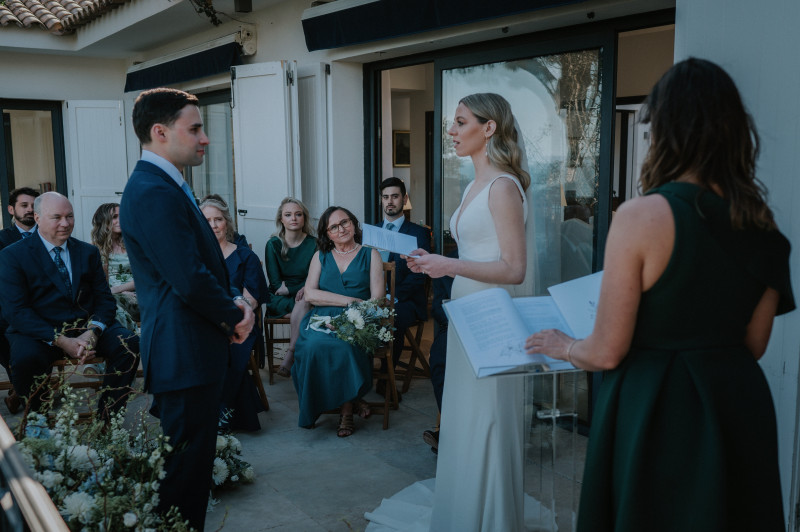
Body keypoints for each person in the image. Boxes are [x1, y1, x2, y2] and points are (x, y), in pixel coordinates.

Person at [525, 58, 795, 532]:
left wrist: (564, 346)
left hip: (658, 407)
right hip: (738, 405)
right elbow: (755, 344)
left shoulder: (643, 215)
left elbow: (608, 349)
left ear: (665, 130)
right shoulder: (763, 223)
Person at [366, 92, 531, 531]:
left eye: (460, 122)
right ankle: (465, 505)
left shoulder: (502, 186)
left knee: (488, 413)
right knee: (464, 412)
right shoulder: (476, 184)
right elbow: (478, 251)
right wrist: (428, 258)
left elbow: (515, 269)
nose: (452, 131)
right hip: (464, 306)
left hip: (490, 311)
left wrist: (447, 264)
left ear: (488, 127)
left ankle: (490, 515)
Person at [120, 87, 254, 531]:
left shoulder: (165, 184)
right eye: (194, 128)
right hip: (184, 351)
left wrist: (232, 301)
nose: (205, 139)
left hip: (192, 349)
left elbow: (196, 266)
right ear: (160, 132)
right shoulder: (152, 190)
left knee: (191, 468)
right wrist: (237, 314)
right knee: (185, 474)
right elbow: (189, 278)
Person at [0, 192, 139, 417]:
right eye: (57, 217)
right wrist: (61, 340)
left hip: (84, 328)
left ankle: (108, 419)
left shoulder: (88, 252)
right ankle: (38, 422)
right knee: (25, 358)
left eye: (70, 216)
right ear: (37, 217)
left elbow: (104, 300)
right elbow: (16, 311)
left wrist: (93, 331)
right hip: (38, 332)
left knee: (129, 344)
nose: (65, 223)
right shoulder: (12, 256)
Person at [292, 206, 384, 437]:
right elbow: (310, 294)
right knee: (312, 347)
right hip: (322, 317)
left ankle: (346, 410)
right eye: (333, 226)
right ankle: (318, 405)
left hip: (359, 318)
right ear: (327, 233)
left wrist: (355, 311)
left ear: (354, 224)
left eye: (345, 222)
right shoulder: (320, 256)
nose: (341, 229)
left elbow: (377, 299)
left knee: (343, 346)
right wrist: (349, 300)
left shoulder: (370, 254)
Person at [200, 195, 268, 432]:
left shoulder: (244, 256)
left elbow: (252, 298)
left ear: (226, 222)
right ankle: (214, 410)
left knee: (230, 346)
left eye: (218, 219)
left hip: (240, 322)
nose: (214, 225)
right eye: (207, 220)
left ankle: (221, 411)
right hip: (205, 323)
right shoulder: (196, 258)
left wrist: (230, 313)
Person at [376, 177, 431, 399]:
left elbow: (419, 276)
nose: (390, 202)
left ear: (404, 199)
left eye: (395, 196)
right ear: (381, 200)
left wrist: (391, 298)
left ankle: (385, 378)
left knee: (393, 318)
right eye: (386, 197)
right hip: (374, 297)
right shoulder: (371, 231)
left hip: (406, 300)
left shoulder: (418, 233)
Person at [264, 197, 316, 377]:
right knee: (306, 310)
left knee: (304, 302)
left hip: (305, 295)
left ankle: (291, 353)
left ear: (304, 218)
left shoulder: (314, 244)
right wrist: (301, 286)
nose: (293, 218)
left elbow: (315, 277)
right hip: (279, 299)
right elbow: (277, 285)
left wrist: (300, 287)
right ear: (281, 219)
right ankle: (300, 357)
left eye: (298, 214)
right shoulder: (273, 244)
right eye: (288, 215)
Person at [0, 186, 39, 413]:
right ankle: (21, 383)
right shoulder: (3, 239)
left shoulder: (50, 237)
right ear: (11, 209)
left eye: (34, 206)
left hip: (42, 308)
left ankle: (21, 389)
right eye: (24, 205)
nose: (30, 210)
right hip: (8, 306)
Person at [91, 203, 138, 332]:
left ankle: (133, 338)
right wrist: (113, 293)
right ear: (104, 221)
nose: (120, 220)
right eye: (114, 217)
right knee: (106, 304)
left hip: (135, 294)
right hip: (110, 296)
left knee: (110, 303)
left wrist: (117, 290)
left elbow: (143, 277)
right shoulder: (94, 249)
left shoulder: (133, 245)